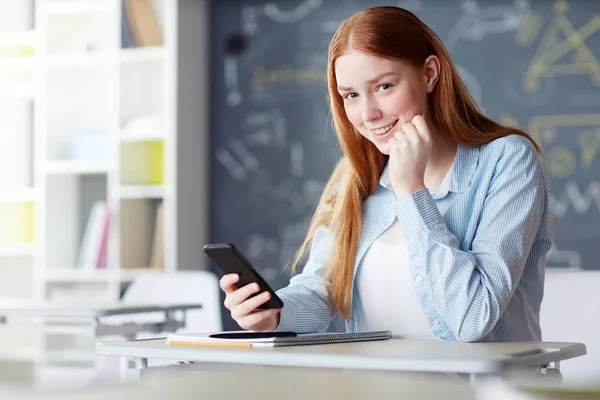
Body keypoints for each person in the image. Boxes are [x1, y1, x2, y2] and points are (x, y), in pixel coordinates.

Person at [219, 6, 552, 342]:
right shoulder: (356, 176)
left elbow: (472, 318)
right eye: (351, 95)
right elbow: (321, 290)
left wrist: (411, 191)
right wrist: (272, 314)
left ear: (429, 74)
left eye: (384, 87)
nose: (368, 114)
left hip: (481, 391)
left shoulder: (507, 160)